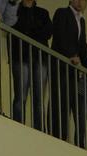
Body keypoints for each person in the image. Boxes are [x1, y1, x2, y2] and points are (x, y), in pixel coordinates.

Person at [49, 0, 87, 145]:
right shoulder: (62, 13)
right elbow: (60, 36)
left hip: (72, 68)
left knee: (69, 100)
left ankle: (66, 137)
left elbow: (83, 45)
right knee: (59, 99)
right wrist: (70, 55)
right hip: (61, 64)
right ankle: (57, 136)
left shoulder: (82, 20)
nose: (81, 3)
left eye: (84, 1)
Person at [9, 0, 52, 130]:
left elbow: (48, 32)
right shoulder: (14, 10)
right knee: (20, 96)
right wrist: (33, 31)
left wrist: (29, 32)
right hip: (20, 56)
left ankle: (39, 130)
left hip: (40, 59)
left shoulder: (43, 13)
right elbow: (16, 27)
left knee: (39, 99)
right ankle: (18, 127)